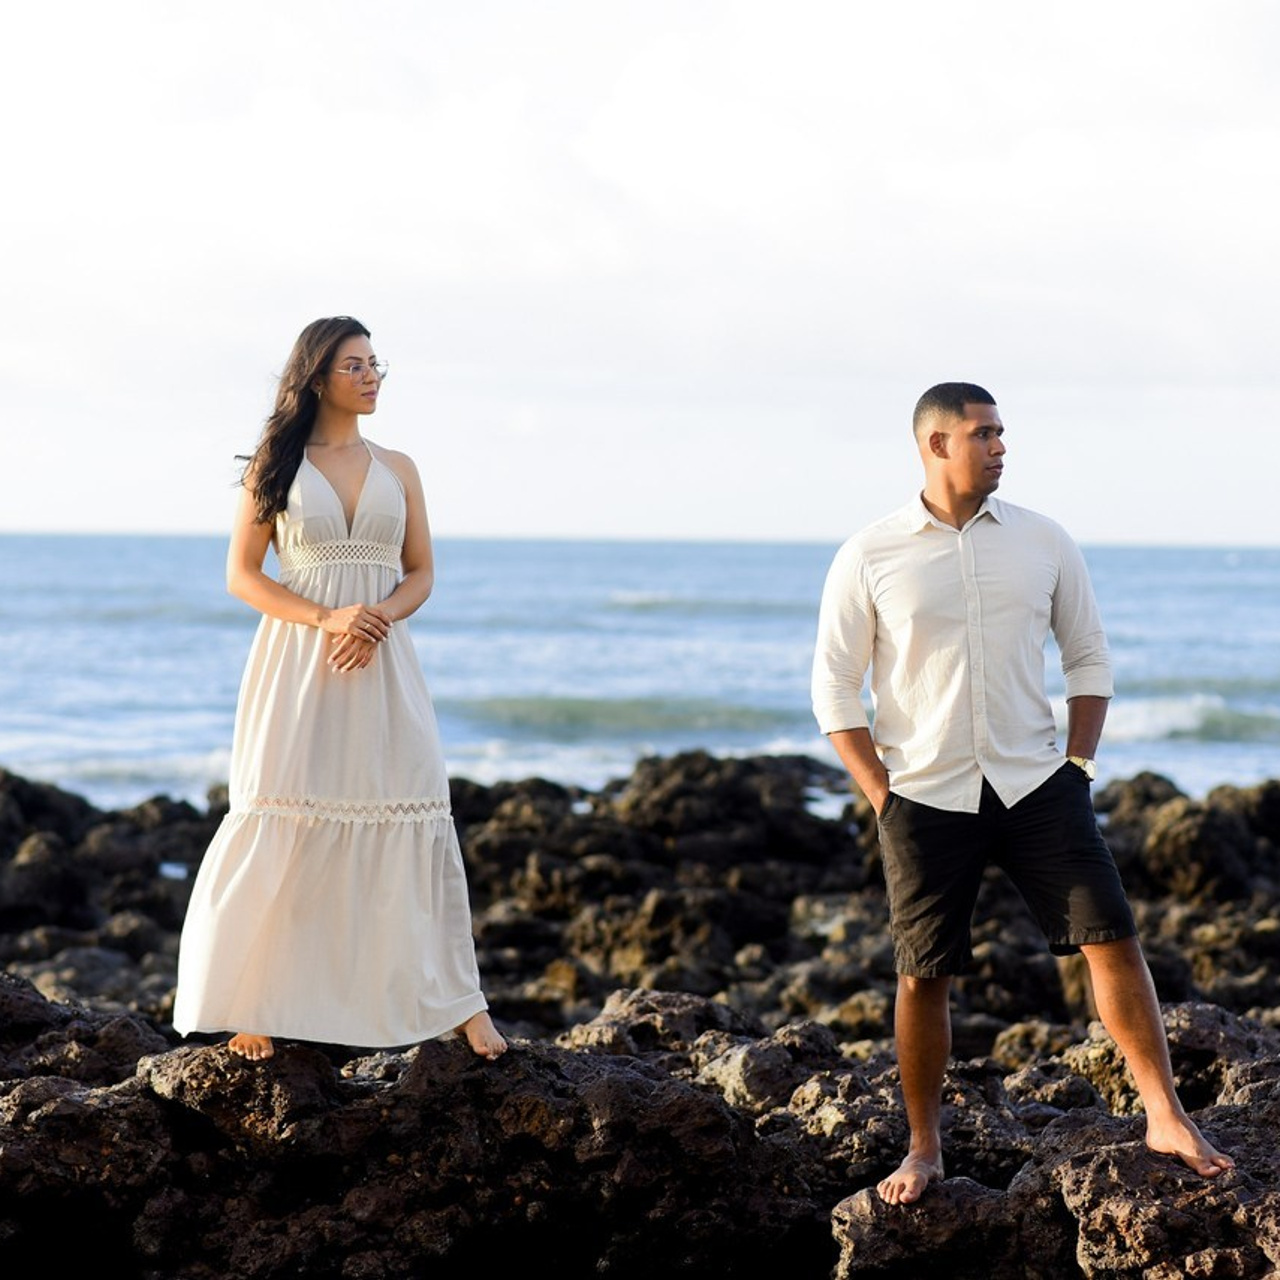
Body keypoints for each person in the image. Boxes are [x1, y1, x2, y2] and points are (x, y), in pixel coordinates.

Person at [810, 382, 1232, 1206]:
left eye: (1002, 432)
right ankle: (924, 1149)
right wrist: (881, 796)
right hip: (924, 796)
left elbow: (1089, 657)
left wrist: (1079, 767)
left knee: (1113, 939)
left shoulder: (1044, 540)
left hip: (1040, 785)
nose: (1001, 446)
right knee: (922, 975)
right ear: (936, 444)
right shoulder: (870, 553)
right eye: (983, 433)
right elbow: (833, 687)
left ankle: (1165, 1114)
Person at [173, 316, 506, 1064]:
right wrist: (329, 618)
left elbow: (421, 572)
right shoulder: (276, 465)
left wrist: (376, 618)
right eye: (354, 365)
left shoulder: (400, 467)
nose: (371, 375)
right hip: (298, 663)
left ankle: (463, 1003)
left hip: (383, 664)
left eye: (375, 363)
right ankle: (252, 1001)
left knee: (413, 810)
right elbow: (242, 576)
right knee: (283, 812)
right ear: (317, 377)